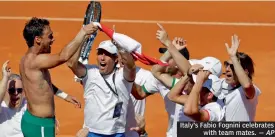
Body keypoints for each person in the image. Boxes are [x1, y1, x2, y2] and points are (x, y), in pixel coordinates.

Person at [19, 17, 97, 137]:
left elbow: (42, 84)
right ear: (38, 39)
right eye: (49, 36)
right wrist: (83, 32)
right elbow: (63, 56)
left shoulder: (27, 59)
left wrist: (64, 96)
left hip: (36, 121)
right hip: (40, 125)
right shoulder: (35, 60)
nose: (53, 39)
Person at [67, 35, 136, 137]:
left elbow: (131, 66)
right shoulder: (90, 72)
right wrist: (82, 37)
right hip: (92, 132)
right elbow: (71, 63)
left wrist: (120, 47)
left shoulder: (122, 76)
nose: (102, 58)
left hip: (117, 133)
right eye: (100, 53)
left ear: (116, 59)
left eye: (107, 54)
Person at [0, 61, 81, 137]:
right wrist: (5, 78)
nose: (16, 93)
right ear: (4, 92)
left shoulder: (27, 103)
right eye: (11, 90)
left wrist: (65, 97)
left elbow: (43, 85)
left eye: (19, 90)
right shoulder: (2, 108)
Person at [221, 34, 261, 121]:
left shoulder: (249, 92)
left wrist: (233, 58)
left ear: (245, 72)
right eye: (227, 65)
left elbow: (246, 85)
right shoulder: (222, 84)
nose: (227, 69)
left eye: (232, 67)